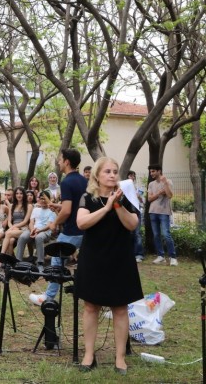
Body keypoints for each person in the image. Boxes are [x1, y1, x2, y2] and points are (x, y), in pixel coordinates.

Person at [75, 157, 143, 374]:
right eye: (107, 171)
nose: (113, 175)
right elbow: (82, 223)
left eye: (115, 171)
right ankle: (88, 355)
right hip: (94, 257)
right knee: (90, 306)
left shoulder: (126, 197)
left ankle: (120, 358)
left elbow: (132, 224)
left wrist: (117, 205)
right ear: (97, 175)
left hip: (119, 257)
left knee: (120, 308)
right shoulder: (88, 198)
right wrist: (105, 208)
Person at [30, 149, 88, 305]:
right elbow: (76, 205)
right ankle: (99, 297)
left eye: (60, 159)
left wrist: (55, 222)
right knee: (88, 264)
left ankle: (48, 297)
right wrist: (58, 205)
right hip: (86, 230)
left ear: (67, 161)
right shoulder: (84, 180)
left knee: (56, 261)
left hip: (72, 230)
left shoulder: (67, 182)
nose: (58, 162)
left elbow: (68, 210)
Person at [16, 191, 56, 269]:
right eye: (41, 199)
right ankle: (18, 261)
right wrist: (32, 230)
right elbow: (31, 222)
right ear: (38, 199)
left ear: (48, 200)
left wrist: (38, 231)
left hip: (45, 232)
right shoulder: (36, 209)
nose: (43, 201)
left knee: (39, 237)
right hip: (33, 230)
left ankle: (40, 262)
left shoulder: (52, 211)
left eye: (45, 199)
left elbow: (48, 226)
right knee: (23, 236)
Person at [147, 164, 178, 266]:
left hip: (164, 212)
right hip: (152, 212)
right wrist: (160, 193)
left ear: (159, 171)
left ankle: (173, 257)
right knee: (156, 235)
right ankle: (160, 256)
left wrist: (165, 183)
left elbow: (169, 195)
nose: (151, 173)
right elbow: (149, 199)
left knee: (166, 235)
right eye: (150, 172)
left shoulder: (168, 181)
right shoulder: (151, 184)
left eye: (153, 171)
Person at [0, 187, 31, 262]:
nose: (19, 195)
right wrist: (12, 228)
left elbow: (25, 221)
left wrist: (14, 227)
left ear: (24, 195)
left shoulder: (29, 206)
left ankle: (1, 256)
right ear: (14, 195)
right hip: (13, 229)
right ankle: (11, 261)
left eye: (21, 193)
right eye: (17, 193)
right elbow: (9, 221)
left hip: (24, 229)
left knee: (8, 233)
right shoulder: (12, 206)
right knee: (10, 241)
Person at [128, 170, 145, 262]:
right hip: (127, 213)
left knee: (137, 233)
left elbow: (142, 202)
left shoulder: (138, 188)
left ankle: (139, 254)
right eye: (130, 175)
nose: (132, 177)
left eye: (133, 176)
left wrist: (139, 197)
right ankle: (130, 253)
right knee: (129, 234)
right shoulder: (124, 188)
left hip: (137, 212)